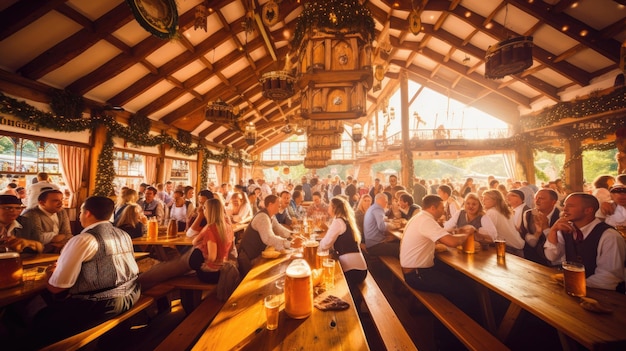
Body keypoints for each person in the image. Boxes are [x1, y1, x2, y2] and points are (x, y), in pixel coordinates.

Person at [30, 196, 140, 348]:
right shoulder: (124, 235)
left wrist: (50, 272)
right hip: (131, 295)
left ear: (87, 213)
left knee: (38, 319)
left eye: (81, 212)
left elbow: (57, 287)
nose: (80, 215)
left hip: (101, 305)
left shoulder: (83, 239)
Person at [400, 194, 478, 337]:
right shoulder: (426, 221)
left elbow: (439, 238)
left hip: (418, 269)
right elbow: (452, 242)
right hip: (417, 273)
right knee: (465, 293)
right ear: (432, 208)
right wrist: (467, 233)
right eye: (442, 207)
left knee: (459, 276)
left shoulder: (420, 217)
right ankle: (453, 336)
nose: (443, 210)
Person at [544, 193, 626, 292]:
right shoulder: (566, 229)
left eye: (570, 206)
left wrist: (573, 283)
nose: (564, 209)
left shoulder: (610, 236)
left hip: (605, 296)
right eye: (564, 205)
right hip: (575, 290)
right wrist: (553, 230)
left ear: (588, 210)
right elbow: (552, 256)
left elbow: (608, 278)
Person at [319, 197, 367, 308]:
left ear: (334, 208)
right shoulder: (346, 220)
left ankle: (349, 312)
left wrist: (315, 247)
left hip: (353, 271)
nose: (328, 208)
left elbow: (325, 244)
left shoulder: (338, 221)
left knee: (328, 283)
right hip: (360, 269)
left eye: (329, 206)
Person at [238, 195, 300, 277]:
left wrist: (293, 234)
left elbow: (279, 229)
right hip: (249, 259)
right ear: (271, 204)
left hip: (258, 256)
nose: (280, 205)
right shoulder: (262, 217)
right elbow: (268, 238)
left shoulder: (271, 216)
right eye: (278, 203)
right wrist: (290, 244)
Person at [188, 198, 235, 283]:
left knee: (187, 276)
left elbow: (212, 257)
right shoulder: (228, 225)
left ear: (209, 211)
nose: (203, 210)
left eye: (205, 208)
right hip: (225, 268)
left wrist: (202, 249)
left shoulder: (211, 229)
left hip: (212, 273)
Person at [520, 188, 561, 266]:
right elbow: (525, 237)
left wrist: (546, 227)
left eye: (541, 198)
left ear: (553, 202)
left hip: (554, 262)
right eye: (536, 198)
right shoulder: (528, 214)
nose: (537, 201)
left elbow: (559, 244)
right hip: (532, 259)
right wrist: (537, 234)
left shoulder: (560, 216)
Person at [481, 189, 525, 257]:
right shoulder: (506, 211)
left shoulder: (492, 212)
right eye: (483, 199)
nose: (483, 201)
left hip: (508, 248)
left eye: (486, 199)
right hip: (518, 248)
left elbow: (487, 234)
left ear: (495, 200)